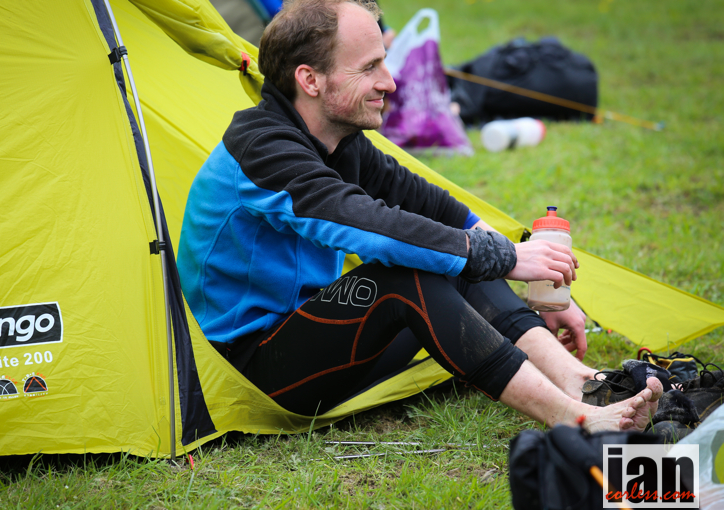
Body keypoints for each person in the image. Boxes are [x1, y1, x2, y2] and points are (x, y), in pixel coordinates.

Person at [177, 0, 661, 431]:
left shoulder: (339, 139)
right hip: (253, 368)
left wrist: (541, 278)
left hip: (321, 340)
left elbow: (438, 209)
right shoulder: (262, 149)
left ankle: (578, 381)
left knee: (447, 249)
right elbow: (367, 223)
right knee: (412, 266)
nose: (389, 82)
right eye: (369, 67)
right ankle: (572, 419)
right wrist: (505, 257)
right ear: (310, 80)